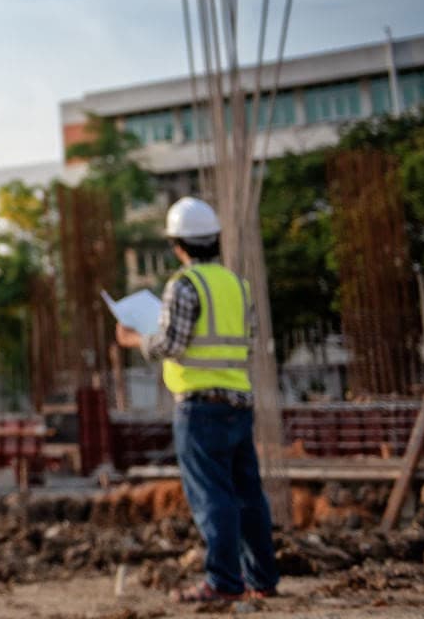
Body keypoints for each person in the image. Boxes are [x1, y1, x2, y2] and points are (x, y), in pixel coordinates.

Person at [115, 196, 280, 604]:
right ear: (216, 240)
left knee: (212, 495)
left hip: (200, 406)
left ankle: (223, 582)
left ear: (177, 245)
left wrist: (135, 338)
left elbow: (171, 344)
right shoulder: (237, 285)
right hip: (238, 401)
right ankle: (262, 578)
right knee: (248, 494)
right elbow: (248, 338)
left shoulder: (184, 285)